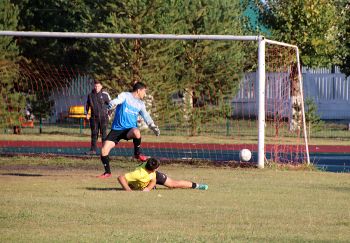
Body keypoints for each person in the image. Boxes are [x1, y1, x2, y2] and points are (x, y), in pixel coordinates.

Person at [98, 82, 160, 178]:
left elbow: (146, 116)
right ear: (138, 91)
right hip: (117, 129)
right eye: (144, 91)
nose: (145, 94)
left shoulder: (140, 104)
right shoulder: (125, 95)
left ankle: (137, 154)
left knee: (136, 132)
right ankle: (107, 172)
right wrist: (112, 105)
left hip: (129, 130)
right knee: (103, 150)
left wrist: (152, 126)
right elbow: (116, 101)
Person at [118, 158, 208, 191]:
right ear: (155, 169)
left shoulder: (152, 171)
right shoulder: (138, 174)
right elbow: (121, 177)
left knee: (173, 184)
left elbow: (153, 180)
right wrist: (128, 190)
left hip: (150, 179)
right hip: (144, 179)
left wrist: (148, 189)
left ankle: (198, 186)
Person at [85, 80, 111, 155]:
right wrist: (87, 113)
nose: (97, 87)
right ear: (94, 86)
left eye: (98, 86)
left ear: (101, 86)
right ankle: (93, 150)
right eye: (95, 86)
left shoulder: (105, 95)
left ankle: (105, 150)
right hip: (94, 118)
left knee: (104, 134)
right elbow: (87, 105)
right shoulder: (90, 95)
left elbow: (111, 105)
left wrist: (109, 114)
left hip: (103, 118)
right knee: (94, 133)